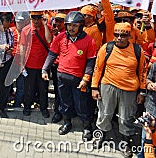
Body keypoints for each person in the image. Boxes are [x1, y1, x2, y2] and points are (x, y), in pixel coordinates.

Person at [92, 22, 147, 157]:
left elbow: (142, 72)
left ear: (129, 36)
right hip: (108, 85)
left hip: (129, 89)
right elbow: (97, 69)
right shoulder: (107, 48)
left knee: (125, 118)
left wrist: (142, 91)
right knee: (105, 113)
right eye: (116, 35)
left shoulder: (138, 51)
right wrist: (94, 87)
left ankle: (125, 143)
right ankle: (100, 135)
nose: (119, 38)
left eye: (123, 35)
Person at [42, 11, 97, 141]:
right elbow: (52, 54)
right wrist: (45, 69)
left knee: (82, 104)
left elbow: (90, 62)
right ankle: (67, 123)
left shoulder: (89, 41)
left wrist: (86, 79)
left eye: (74, 25)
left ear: (81, 26)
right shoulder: (60, 37)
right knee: (65, 103)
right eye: (69, 25)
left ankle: (87, 127)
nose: (71, 28)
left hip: (79, 80)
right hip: (62, 76)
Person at [20, 11, 52, 117]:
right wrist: (21, 63)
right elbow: (22, 47)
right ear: (31, 18)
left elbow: (49, 40)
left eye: (38, 18)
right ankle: (27, 107)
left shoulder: (46, 28)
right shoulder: (26, 30)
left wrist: (46, 25)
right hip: (30, 64)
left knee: (43, 89)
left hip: (44, 66)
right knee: (29, 88)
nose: (36, 20)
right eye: (34, 18)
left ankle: (44, 108)